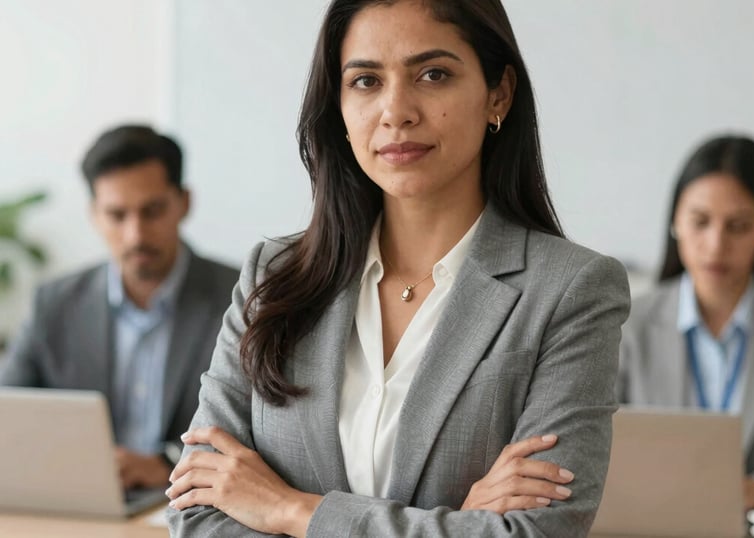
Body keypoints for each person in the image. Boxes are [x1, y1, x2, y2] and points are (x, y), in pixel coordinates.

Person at [165, 1, 630, 536]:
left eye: (433, 75)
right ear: (337, 104)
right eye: (365, 81)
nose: (396, 110)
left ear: (498, 93)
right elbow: (195, 512)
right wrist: (459, 524)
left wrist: (288, 510)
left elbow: (536, 532)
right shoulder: (272, 275)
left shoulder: (572, 291)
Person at [0, 125, 239, 490]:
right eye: (117, 215)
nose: (136, 235)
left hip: (194, 506)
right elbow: (10, 416)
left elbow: (261, 429)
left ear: (184, 203)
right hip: (82, 499)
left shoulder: (241, 298)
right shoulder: (54, 304)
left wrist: (168, 463)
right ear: (94, 214)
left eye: (152, 211)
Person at [618, 134, 754, 510]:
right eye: (700, 222)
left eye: (739, 226)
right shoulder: (625, 326)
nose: (716, 246)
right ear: (675, 222)